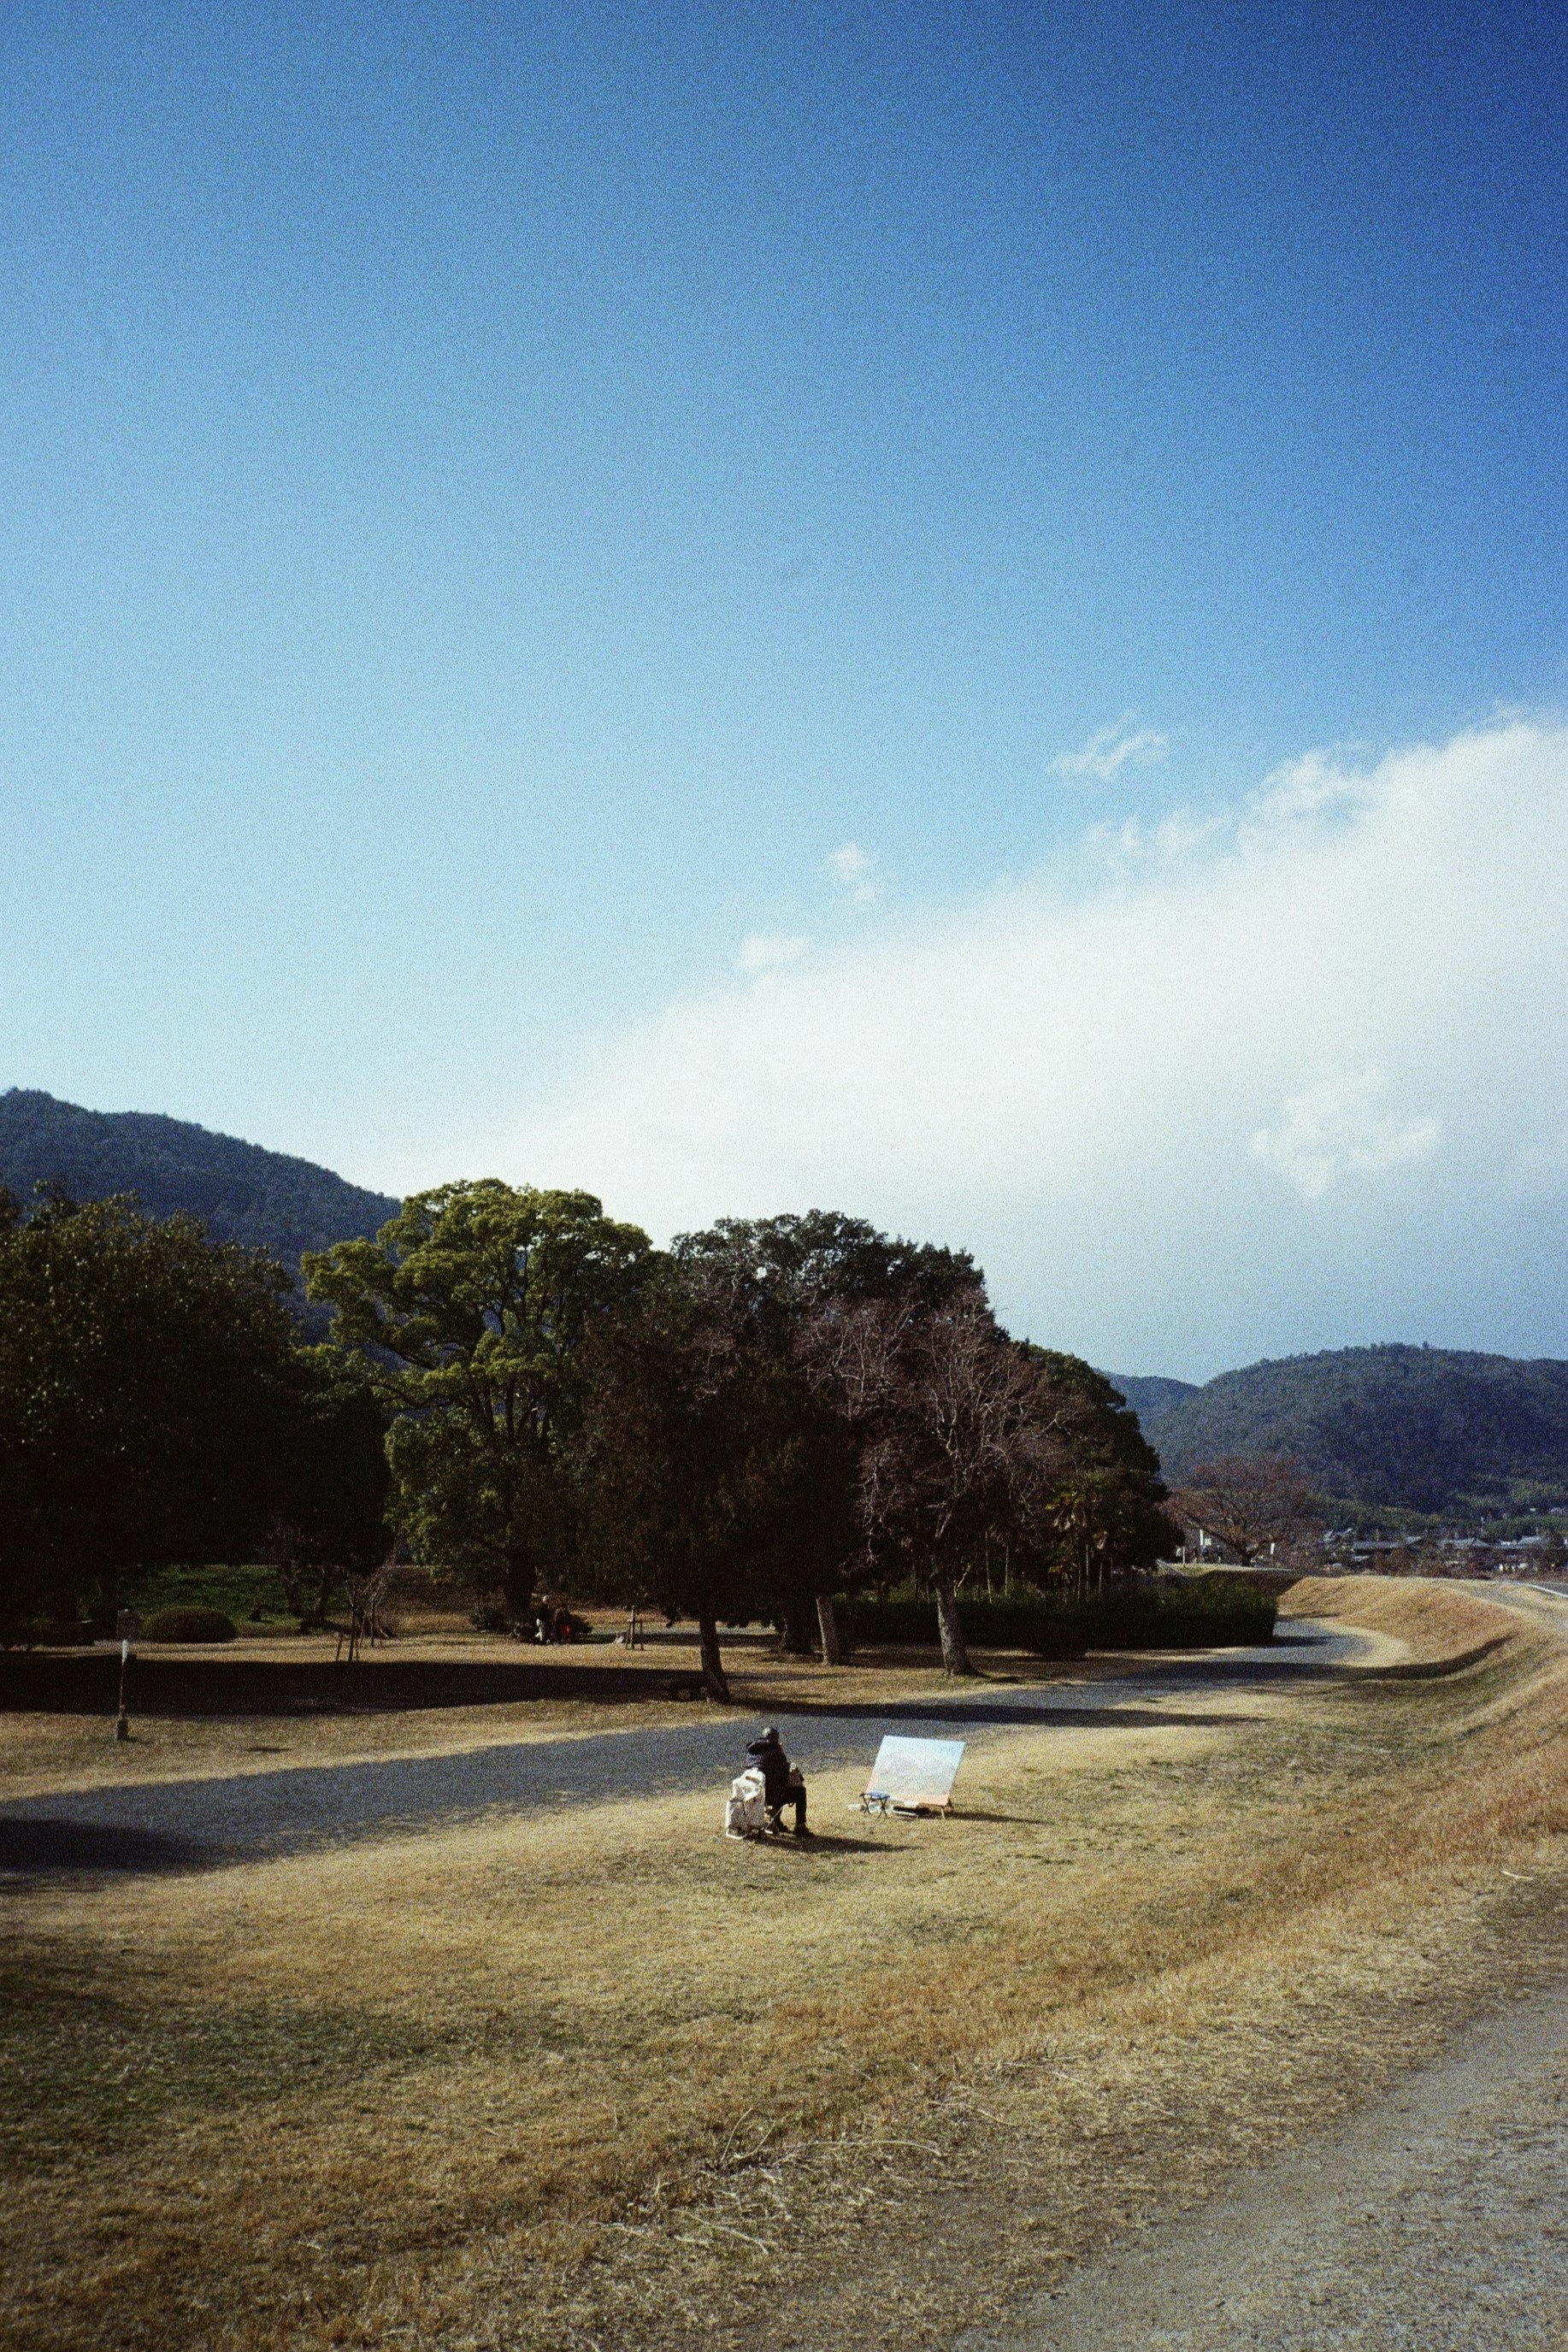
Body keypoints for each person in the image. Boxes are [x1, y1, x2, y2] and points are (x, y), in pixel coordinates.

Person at [746, 1725, 809, 1836]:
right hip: (770, 1795)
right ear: (776, 1739)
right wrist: (782, 1752)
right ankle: (800, 1826)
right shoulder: (776, 1752)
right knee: (799, 1792)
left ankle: (777, 1821)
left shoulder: (752, 1751)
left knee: (775, 1786)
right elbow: (784, 1775)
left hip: (754, 1792)